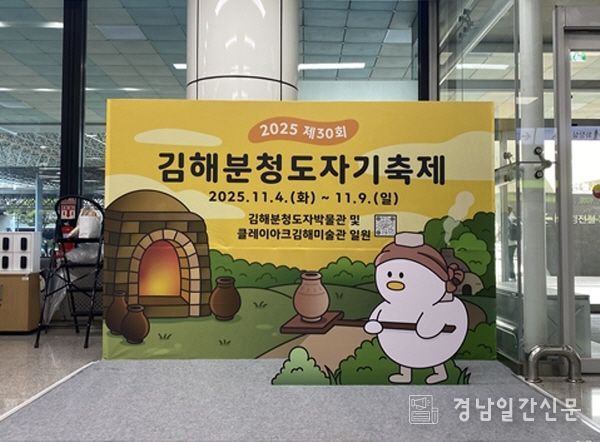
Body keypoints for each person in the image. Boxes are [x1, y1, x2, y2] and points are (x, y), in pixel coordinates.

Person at [506, 207, 519, 280]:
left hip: (509, 243)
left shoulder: (507, 220)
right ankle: (511, 274)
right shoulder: (513, 219)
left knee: (509, 259)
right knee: (510, 259)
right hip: (513, 243)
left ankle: (511, 274)